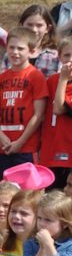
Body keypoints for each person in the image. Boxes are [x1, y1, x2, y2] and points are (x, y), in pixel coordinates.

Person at [0, 27, 48, 178]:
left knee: (25, 193)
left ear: (32, 51)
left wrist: (20, 142)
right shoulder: (0, 78)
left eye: (20, 48)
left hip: (26, 147)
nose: (15, 52)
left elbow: (39, 114)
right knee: (3, 189)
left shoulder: (36, 76)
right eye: (11, 47)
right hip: (2, 146)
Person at [40, 35, 72, 188]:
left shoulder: (61, 80)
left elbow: (59, 108)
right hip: (49, 152)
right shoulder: (51, 80)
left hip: (68, 153)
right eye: (67, 55)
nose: (71, 59)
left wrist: (63, 79)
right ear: (59, 56)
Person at [23, 192, 72, 256]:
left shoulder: (69, 245)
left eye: (48, 220)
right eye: (39, 218)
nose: (41, 223)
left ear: (64, 223)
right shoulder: (30, 243)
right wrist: (42, 249)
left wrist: (49, 246)